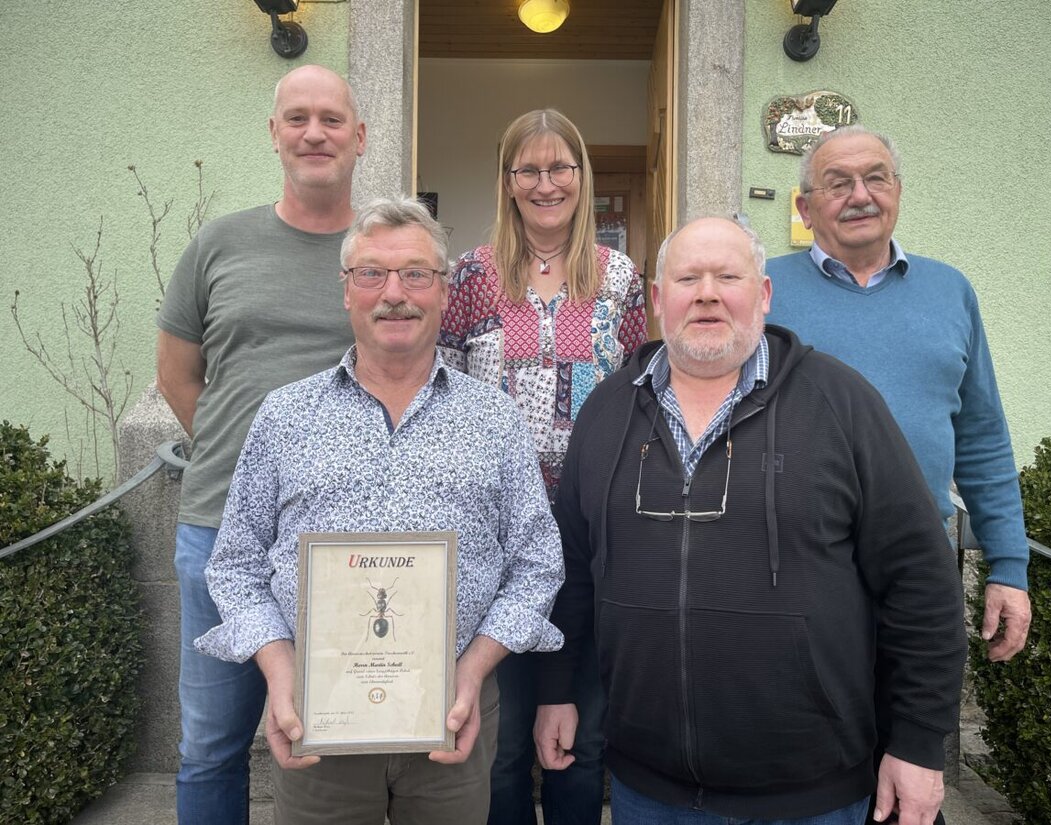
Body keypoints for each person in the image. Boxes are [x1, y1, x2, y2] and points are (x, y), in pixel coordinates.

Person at [534, 216, 968, 825]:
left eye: (727, 276)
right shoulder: (607, 410)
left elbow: (920, 580)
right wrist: (559, 688)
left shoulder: (841, 404)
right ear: (659, 301)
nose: (707, 293)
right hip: (648, 790)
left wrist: (919, 742)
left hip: (813, 794)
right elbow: (574, 571)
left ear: (762, 295)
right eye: (688, 278)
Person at [195, 196, 565, 824]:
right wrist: (279, 665)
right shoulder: (286, 417)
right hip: (319, 721)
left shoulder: (495, 420)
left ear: (444, 292)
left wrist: (473, 672)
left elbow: (537, 567)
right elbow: (234, 564)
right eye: (372, 274)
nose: (395, 293)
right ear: (347, 292)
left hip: (453, 716)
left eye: (416, 273)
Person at [766, 126, 1032, 825]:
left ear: (899, 191)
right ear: (805, 204)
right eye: (838, 182)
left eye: (876, 177)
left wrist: (1008, 563)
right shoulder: (764, 293)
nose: (860, 195)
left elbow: (981, 437)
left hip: (918, 571)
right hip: (798, 567)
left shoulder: (951, 291)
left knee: (913, 765)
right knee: (810, 765)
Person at [156, 64, 364, 823]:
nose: (315, 133)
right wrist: (247, 465)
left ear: (360, 138)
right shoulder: (219, 244)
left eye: (332, 119)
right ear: (274, 134)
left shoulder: (377, 252)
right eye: (298, 118)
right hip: (218, 528)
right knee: (211, 742)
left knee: (335, 734)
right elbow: (179, 376)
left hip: (343, 538)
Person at [439, 108, 647, 825]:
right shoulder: (469, 274)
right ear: (508, 180)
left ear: (582, 177)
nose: (546, 182)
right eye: (529, 168)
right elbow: (442, 397)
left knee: (579, 740)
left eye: (561, 167)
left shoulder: (619, 277)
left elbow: (640, 397)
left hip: (590, 537)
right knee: (498, 744)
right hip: (494, 538)